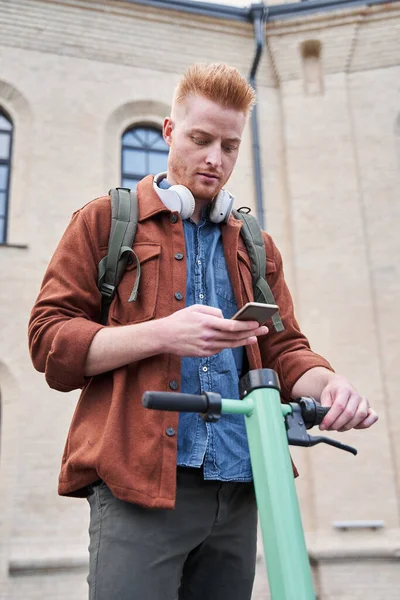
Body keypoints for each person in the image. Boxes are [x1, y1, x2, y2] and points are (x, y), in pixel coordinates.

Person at [28, 63, 378, 600]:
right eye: (200, 139)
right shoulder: (103, 222)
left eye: (230, 146)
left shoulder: (256, 247)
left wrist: (327, 385)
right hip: (138, 487)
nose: (215, 159)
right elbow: (49, 342)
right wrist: (162, 334)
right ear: (169, 132)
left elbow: (284, 351)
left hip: (241, 486)